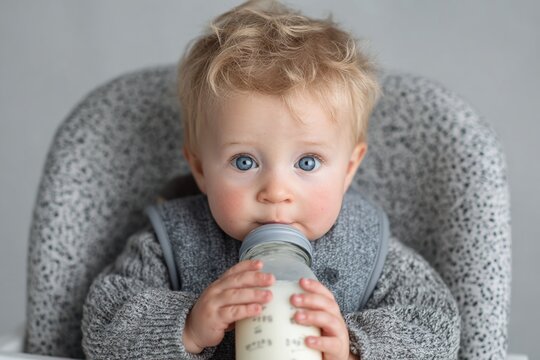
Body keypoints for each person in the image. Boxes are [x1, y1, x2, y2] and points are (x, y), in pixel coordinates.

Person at [82, 1, 460, 359]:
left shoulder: (369, 247)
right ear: (200, 170)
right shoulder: (169, 245)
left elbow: (436, 328)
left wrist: (354, 348)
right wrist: (187, 327)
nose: (276, 191)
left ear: (348, 169)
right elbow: (103, 324)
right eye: (244, 162)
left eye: (308, 162)